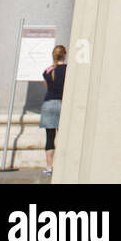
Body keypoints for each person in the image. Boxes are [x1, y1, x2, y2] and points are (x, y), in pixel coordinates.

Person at [39, 44, 66, 175]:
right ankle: (62, 164)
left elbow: (47, 86)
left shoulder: (48, 70)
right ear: (64, 55)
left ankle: (49, 167)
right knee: (64, 135)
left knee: (50, 136)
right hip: (62, 103)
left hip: (49, 103)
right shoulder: (68, 69)